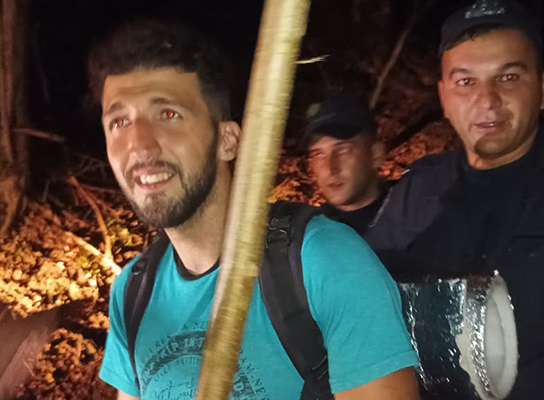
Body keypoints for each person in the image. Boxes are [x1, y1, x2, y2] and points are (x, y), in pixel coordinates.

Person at [90, 20, 420, 400]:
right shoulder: (132, 293)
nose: (138, 145)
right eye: (119, 122)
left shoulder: (326, 263)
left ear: (228, 141)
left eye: (167, 114)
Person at [365, 1, 544, 399]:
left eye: (508, 77)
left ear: (543, 89)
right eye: (465, 81)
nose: (487, 100)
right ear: (443, 97)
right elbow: (365, 308)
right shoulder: (417, 191)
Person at [305, 93, 387, 235]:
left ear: (376, 155)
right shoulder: (308, 236)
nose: (330, 168)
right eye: (319, 155)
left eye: (343, 151)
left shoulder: (419, 216)